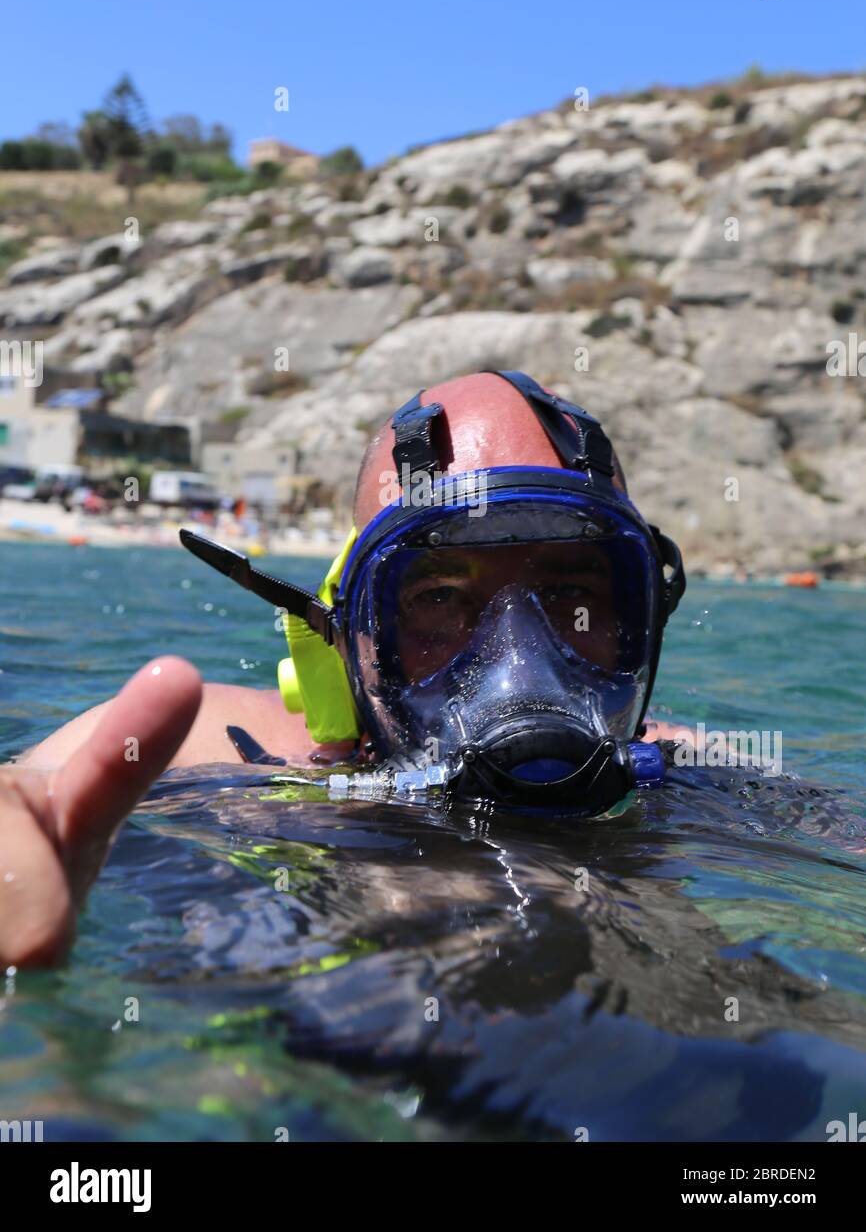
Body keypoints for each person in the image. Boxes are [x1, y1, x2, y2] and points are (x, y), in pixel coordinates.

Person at [0, 371, 688, 967]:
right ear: (349, 639)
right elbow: (26, 798)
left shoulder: (694, 771)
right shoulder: (210, 751)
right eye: (440, 597)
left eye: (571, 594)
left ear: (641, 621)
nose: (520, 658)